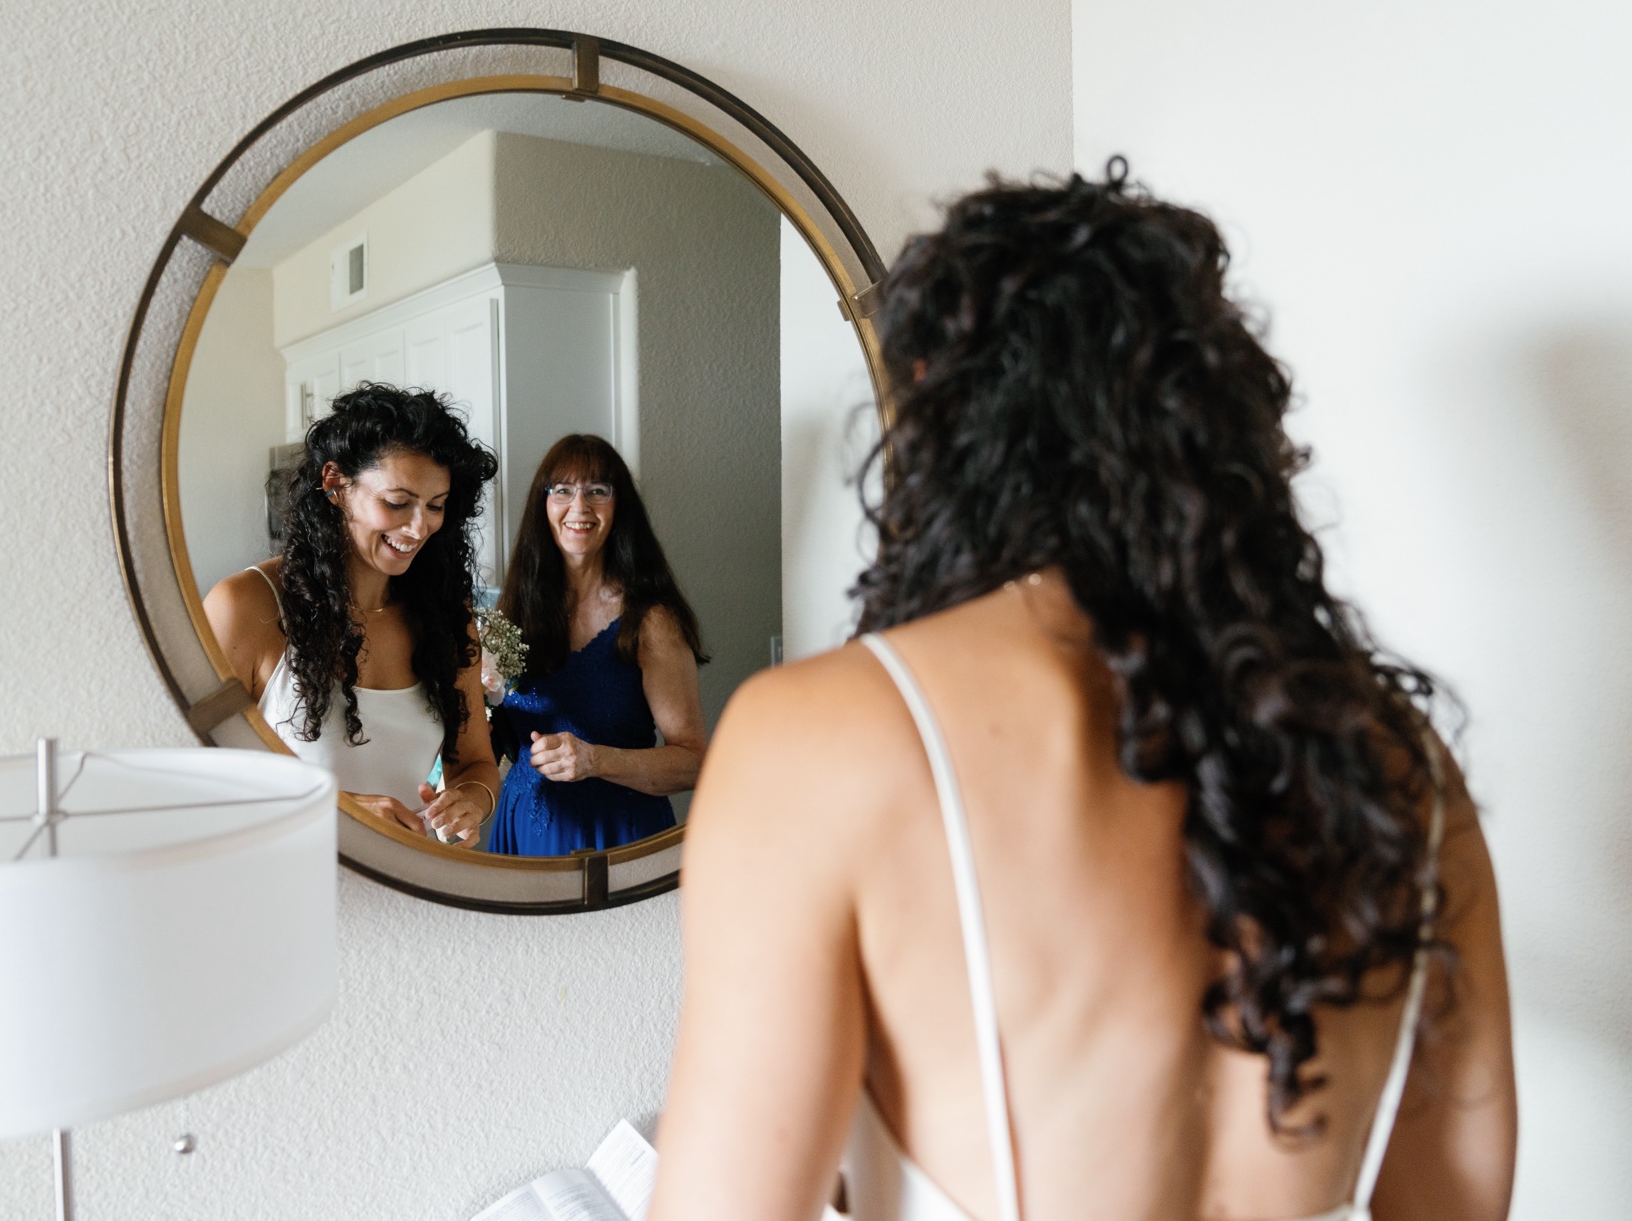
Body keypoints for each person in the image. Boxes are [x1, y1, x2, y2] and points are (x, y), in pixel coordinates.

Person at [650, 169, 1516, 1221]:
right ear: (1215, 427)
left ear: (942, 417)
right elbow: (1457, 1197)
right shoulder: (1398, 758)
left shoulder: (824, 737)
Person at [202, 382, 500, 846]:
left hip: (406, 886)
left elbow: (475, 762)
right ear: (335, 484)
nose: (420, 527)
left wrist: (472, 802)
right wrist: (331, 807)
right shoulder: (246, 605)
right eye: (397, 502)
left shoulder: (444, 614)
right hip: (279, 882)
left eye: (436, 506)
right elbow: (192, 770)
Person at [485, 434, 709, 855]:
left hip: (619, 837)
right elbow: (495, 739)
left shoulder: (651, 619)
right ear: (543, 504)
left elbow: (694, 762)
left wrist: (595, 761)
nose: (579, 507)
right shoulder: (512, 610)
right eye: (563, 490)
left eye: (597, 491)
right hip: (523, 833)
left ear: (618, 505)